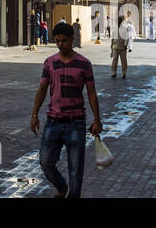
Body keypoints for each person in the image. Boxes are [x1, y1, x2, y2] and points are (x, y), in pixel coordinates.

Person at [30, 22, 102, 198]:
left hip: (76, 123)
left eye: (64, 41)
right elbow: (42, 89)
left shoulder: (84, 64)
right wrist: (34, 115)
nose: (60, 44)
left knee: (76, 170)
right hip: (53, 121)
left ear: (72, 40)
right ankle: (61, 187)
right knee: (45, 161)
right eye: (57, 41)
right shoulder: (50, 63)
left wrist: (97, 120)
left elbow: (92, 93)